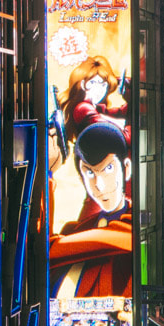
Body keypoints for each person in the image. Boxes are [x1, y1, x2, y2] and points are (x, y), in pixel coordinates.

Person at [49, 121, 132, 298]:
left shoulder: (132, 228)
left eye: (108, 169)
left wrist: (48, 174)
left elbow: (47, 250)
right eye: (89, 173)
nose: (99, 185)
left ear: (126, 168)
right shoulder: (76, 231)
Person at [57, 55, 129, 143]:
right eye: (92, 82)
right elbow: (113, 132)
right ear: (83, 84)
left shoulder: (96, 107)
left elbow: (122, 112)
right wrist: (121, 124)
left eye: (103, 85)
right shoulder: (83, 108)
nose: (98, 89)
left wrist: (124, 83)